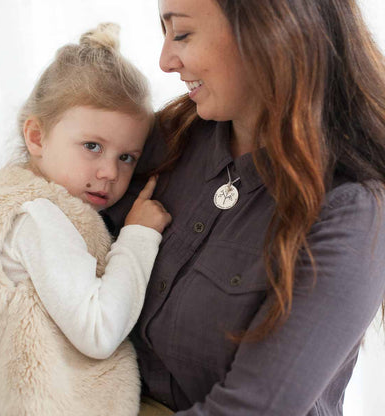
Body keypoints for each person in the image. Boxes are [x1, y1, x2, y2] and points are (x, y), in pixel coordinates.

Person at [106, 0, 385, 415]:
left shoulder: (353, 210)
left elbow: (249, 409)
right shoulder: (168, 139)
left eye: (181, 33)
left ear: (268, 29)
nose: (165, 61)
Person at [0, 23, 171, 416]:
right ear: (37, 137)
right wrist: (139, 235)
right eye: (92, 146)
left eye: (126, 157)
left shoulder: (7, 204)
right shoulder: (38, 218)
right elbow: (99, 330)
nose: (110, 172)